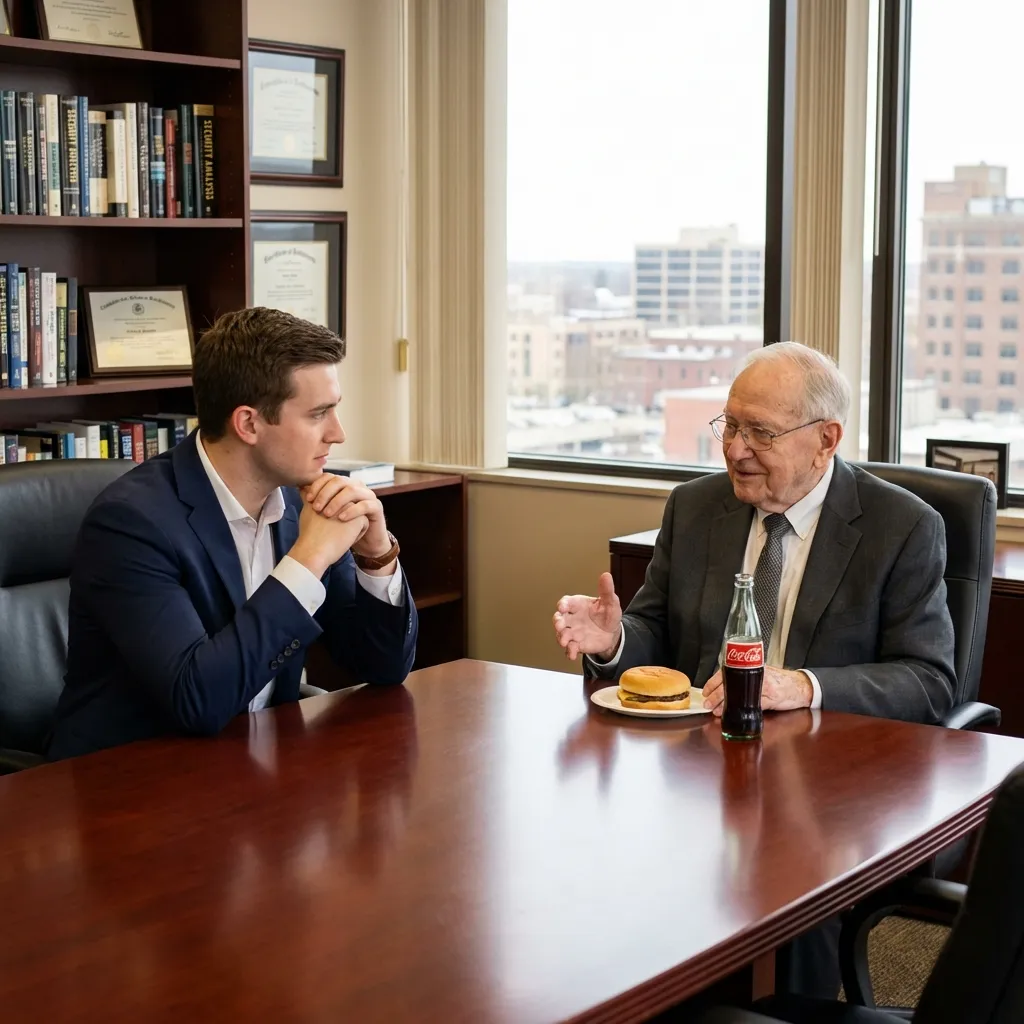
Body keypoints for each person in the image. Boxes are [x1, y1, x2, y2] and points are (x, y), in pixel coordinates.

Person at [552, 340, 956, 997]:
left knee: (790, 902)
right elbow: (654, 633)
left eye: (760, 432)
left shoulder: (902, 527)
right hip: (698, 772)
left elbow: (930, 679)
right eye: (731, 425)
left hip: (822, 785)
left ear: (826, 440)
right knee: (598, 884)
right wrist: (612, 643)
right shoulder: (695, 507)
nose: (736, 448)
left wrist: (799, 685)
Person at [48, 307, 417, 760]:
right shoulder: (129, 524)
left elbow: (381, 666)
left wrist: (375, 556)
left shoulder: (301, 502)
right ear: (248, 424)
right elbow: (197, 699)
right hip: (129, 783)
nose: (338, 434)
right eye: (319, 414)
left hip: (248, 769)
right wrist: (308, 560)